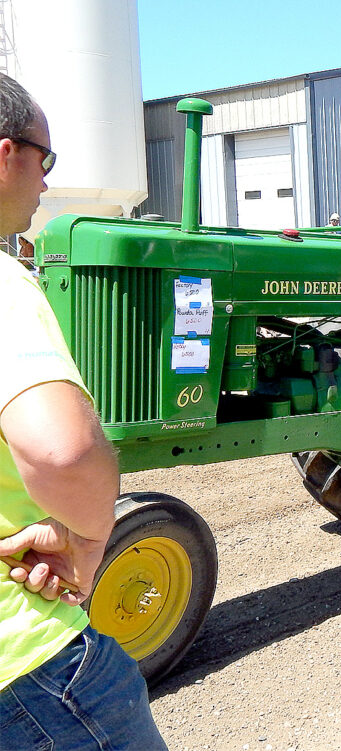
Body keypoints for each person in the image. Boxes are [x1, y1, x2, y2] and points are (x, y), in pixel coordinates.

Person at [0, 74, 167, 750]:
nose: (45, 184)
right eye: (46, 159)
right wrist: (93, 541)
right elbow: (62, 448)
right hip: (30, 665)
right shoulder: (5, 284)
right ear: (6, 154)